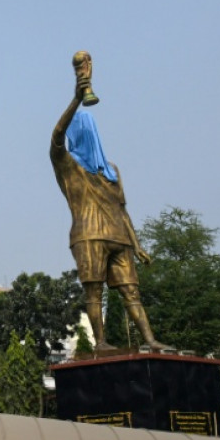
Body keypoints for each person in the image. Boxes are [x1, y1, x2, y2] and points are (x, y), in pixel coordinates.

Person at [50, 58, 170, 352]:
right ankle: (101, 342)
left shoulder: (111, 170)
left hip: (120, 238)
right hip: (88, 236)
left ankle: (150, 341)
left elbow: (122, 210)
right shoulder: (69, 166)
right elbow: (56, 139)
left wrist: (137, 245)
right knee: (94, 293)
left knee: (132, 292)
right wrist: (76, 99)